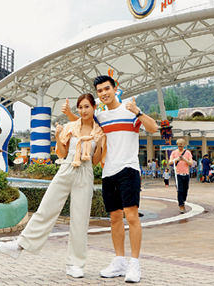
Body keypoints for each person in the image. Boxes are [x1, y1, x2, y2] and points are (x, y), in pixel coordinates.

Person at [0, 94, 106, 279]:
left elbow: (95, 161)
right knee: (46, 209)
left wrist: (102, 146)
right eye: (80, 107)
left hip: (85, 171)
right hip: (67, 168)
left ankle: (75, 263)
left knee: (80, 219)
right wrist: (57, 137)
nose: (83, 111)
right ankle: (19, 245)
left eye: (86, 107)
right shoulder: (71, 127)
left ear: (94, 107)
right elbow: (62, 154)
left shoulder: (100, 133)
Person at [62, 75, 158, 283]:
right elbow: (82, 125)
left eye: (107, 89)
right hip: (108, 173)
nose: (104, 93)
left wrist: (138, 112)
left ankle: (134, 264)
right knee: (115, 218)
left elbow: (153, 128)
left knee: (131, 216)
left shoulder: (129, 110)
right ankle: (119, 261)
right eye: (100, 91)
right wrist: (70, 114)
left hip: (128, 169)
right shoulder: (101, 117)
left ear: (115, 88)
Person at [168, 138, 193, 214]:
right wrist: (177, 159)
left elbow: (191, 163)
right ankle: (181, 205)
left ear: (184, 146)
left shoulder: (188, 153)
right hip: (178, 174)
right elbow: (170, 162)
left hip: (186, 174)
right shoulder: (174, 153)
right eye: (179, 146)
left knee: (185, 189)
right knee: (180, 190)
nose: (180, 147)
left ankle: (183, 201)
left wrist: (184, 159)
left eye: (181, 146)